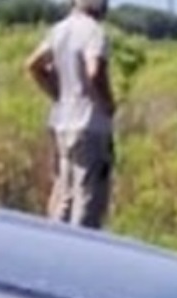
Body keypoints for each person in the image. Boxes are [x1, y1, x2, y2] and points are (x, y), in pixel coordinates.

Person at [23, 0, 117, 231]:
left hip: (62, 122)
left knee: (64, 196)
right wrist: (108, 103)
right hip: (90, 124)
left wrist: (58, 93)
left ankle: (55, 251)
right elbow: (94, 71)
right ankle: (84, 257)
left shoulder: (59, 30)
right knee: (88, 198)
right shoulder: (94, 31)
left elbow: (33, 64)